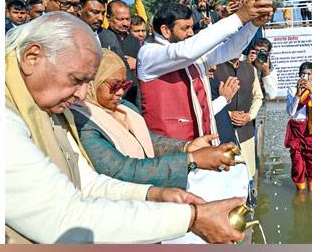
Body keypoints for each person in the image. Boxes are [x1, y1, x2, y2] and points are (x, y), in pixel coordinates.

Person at [3, 12, 245, 243]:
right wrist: (191, 218)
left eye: (86, 83)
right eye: (76, 80)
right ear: (31, 58)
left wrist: (153, 194)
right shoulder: (6, 116)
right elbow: (62, 216)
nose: (80, 94)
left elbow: (89, 184)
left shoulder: (52, 107)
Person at [75, 48, 238, 189]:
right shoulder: (84, 120)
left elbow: (148, 139)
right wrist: (191, 160)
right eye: (114, 86)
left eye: (124, 86)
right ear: (91, 83)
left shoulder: (125, 107)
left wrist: (186, 147)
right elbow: (123, 171)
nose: (120, 92)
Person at [137, 0, 273, 142]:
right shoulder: (149, 54)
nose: (190, 33)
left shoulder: (191, 51)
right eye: (185, 28)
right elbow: (185, 52)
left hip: (200, 147)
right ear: (165, 30)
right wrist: (239, 17)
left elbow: (230, 50)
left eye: (191, 27)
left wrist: (253, 25)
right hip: (169, 152)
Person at [214, 49, 262, 179]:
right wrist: (229, 114)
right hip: (223, 133)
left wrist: (249, 116)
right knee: (228, 172)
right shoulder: (214, 68)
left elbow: (258, 97)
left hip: (246, 132)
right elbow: (208, 102)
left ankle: (249, 196)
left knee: (248, 173)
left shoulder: (249, 68)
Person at [286, 61, 312, 190]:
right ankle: (300, 192)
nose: (305, 77)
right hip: (297, 131)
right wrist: (298, 93)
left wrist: (311, 91)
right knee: (297, 164)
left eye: (308, 74)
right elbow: (291, 112)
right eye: (303, 74)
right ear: (299, 75)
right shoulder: (292, 90)